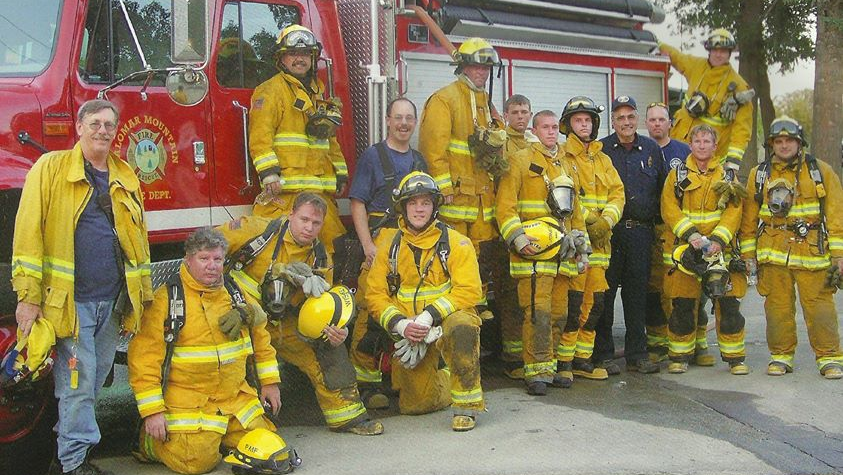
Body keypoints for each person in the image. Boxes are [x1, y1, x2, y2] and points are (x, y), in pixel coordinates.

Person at [12, 99, 152, 475]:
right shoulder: (50, 168)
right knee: (78, 381)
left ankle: (66, 448)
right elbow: (27, 233)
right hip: (70, 305)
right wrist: (28, 297)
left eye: (109, 124)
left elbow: (138, 240)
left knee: (90, 384)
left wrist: (139, 299)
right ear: (79, 126)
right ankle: (73, 463)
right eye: (95, 123)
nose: (102, 131)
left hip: (111, 301)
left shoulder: (125, 174)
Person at [219, 193, 383, 435]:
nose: (309, 228)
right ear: (290, 214)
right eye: (304, 219)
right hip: (244, 319)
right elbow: (204, 255)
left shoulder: (320, 257)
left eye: (316, 223)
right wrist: (230, 302)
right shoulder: (255, 231)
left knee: (328, 348)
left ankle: (347, 416)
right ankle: (233, 428)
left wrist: (337, 329)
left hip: (284, 325)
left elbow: (324, 306)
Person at [128, 228, 281, 474]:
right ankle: (150, 443)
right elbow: (144, 361)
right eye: (204, 259)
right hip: (190, 403)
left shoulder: (235, 293)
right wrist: (153, 413)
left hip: (234, 400)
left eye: (217, 259)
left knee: (267, 447)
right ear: (188, 260)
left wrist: (270, 383)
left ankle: (215, 439)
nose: (212, 266)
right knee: (196, 464)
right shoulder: (166, 301)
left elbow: (261, 340)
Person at [366, 172, 485, 431]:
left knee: (463, 325)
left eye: (425, 203)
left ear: (434, 207)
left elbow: (470, 290)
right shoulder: (389, 244)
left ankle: (467, 406)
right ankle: (443, 373)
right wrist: (400, 325)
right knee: (415, 405)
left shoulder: (456, 242)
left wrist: (429, 316)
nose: (419, 209)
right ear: (403, 207)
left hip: (444, 323)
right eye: (413, 203)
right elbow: (374, 294)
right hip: (410, 333)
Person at [740, 116, 843, 379]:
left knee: (819, 307)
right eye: (779, 141)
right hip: (773, 255)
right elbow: (749, 219)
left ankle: (829, 357)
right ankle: (781, 356)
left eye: (789, 140)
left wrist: (839, 255)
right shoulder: (759, 174)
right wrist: (748, 255)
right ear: (771, 144)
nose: (784, 145)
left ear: (800, 142)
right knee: (777, 308)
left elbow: (836, 215)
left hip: (812, 254)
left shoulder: (820, 171)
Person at [496, 110, 589, 394]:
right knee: (538, 314)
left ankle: (550, 367)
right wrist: (517, 238)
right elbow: (505, 207)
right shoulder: (521, 160)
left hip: (562, 256)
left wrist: (582, 251)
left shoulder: (566, 165)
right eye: (544, 127)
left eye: (553, 128)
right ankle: (536, 373)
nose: (551, 132)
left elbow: (576, 214)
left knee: (559, 313)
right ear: (534, 130)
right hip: (533, 255)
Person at [347, 97, 426, 408]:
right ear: (388, 121)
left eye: (409, 118)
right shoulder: (372, 157)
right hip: (380, 245)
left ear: (414, 123)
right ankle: (365, 385)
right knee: (370, 312)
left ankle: (397, 378)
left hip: (410, 248)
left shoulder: (419, 161)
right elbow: (358, 203)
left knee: (406, 308)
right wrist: (367, 245)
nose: (404, 123)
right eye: (398, 117)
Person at [418, 37, 504, 319]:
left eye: (486, 68)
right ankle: (455, 308)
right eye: (476, 67)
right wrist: (443, 187)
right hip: (456, 199)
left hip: (481, 201)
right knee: (454, 254)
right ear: (462, 67)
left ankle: (475, 303)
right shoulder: (445, 99)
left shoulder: (485, 104)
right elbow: (433, 148)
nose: (482, 73)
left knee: (480, 255)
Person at [248, 24, 347, 253]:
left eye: (304, 54)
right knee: (280, 250)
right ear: (281, 59)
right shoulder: (270, 91)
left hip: (318, 194)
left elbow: (330, 140)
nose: (299, 59)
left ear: (313, 58)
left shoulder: (319, 95)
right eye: (293, 54)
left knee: (335, 248)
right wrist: (268, 173)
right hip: (286, 194)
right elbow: (260, 136)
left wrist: (340, 172)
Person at [660, 124, 748, 375]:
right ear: (690, 145)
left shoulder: (727, 177)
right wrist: (692, 235)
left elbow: (734, 212)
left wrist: (719, 240)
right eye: (697, 141)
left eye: (706, 141)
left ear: (714, 145)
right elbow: (669, 208)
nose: (701, 145)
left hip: (720, 251)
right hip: (687, 250)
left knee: (729, 305)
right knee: (684, 304)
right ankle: (679, 356)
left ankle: (735, 358)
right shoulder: (676, 175)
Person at [593, 96, 665, 375]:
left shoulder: (650, 149)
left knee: (637, 295)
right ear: (613, 121)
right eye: (620, 117)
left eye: (630, 117)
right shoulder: (601, 150)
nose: (626, 122)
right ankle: (604, 354)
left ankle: (638, 353)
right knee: (606, 294)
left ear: (638, 120)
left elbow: (661, 191)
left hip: (641, 234)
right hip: (610, 233)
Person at [557, 96, 625, 380]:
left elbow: (617, 194)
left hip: (600, 244)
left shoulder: (604, 159)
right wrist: (588, 221)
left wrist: (606, 221)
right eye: (578, 120)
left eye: (588, 120)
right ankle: (564, 361)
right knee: (573, 305)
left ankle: (583, 358)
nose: (584, 125)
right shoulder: (561, 156)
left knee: (595, 303)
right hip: (575, 245)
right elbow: (562, 196)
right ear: (568, 125)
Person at [659, 29, 754, 205]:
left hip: (707, 159)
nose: (718, 54)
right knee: (668, 196)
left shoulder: (739, 88)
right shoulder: (697, 67)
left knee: (696, 202)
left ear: (730, 52)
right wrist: (656, 43)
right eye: (715, 49)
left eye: (723, 51)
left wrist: (731, 168)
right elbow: (676, 57)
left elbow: (742, 132)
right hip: (677, 147)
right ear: (709, 49)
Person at [495, 94, 534, 379]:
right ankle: (512, 358)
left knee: (530, 295)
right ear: (506, 115)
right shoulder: (500, 142)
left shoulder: (535, 143)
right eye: (515, 112)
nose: (520, 116)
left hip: (534, 231)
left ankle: (528, 350)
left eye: (524, 112)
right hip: (506, 228)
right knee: (509, 295)